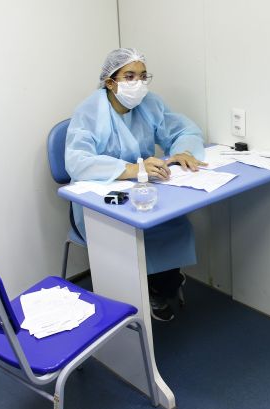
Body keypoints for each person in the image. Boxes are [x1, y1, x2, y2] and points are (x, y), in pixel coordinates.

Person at [65, 48, 207, 322]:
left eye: (143, 76)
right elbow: (78, 162)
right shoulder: (90, 112)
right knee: (137, 231)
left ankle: (162, 281)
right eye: (129, 76)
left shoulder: (149, 103)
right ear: (110, 81)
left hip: (143, 187)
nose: (138, 83)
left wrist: (184, 151)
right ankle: (151, 289)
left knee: (171, 221)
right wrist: (130, 169)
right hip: (98, 200)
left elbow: (182, 130)